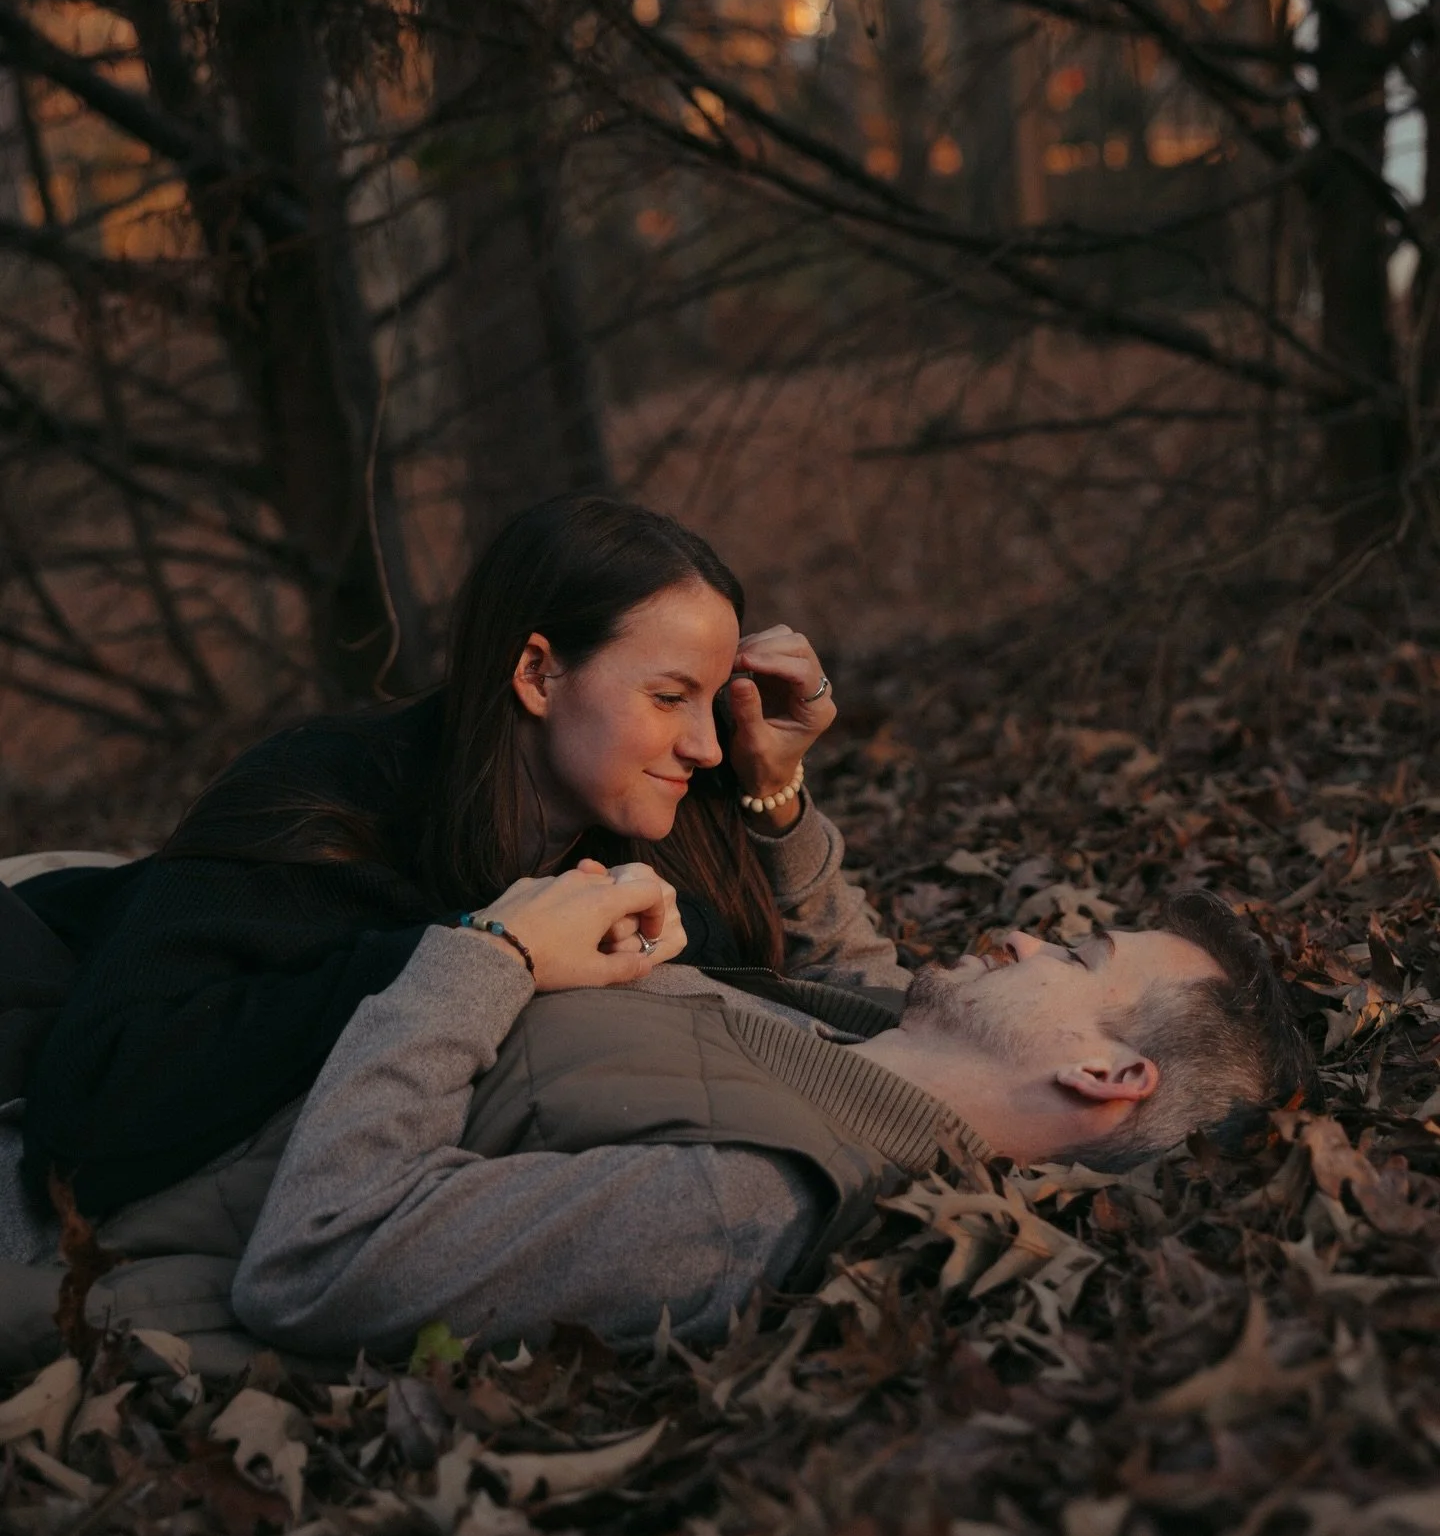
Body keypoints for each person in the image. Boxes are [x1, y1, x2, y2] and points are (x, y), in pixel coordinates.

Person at [15, 494, 898, 1220]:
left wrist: (776, 793)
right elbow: (89, 1112)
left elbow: (854, 991)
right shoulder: (319, 804)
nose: (706, 744)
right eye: (670, 696)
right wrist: (480, 952)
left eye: (713, 700)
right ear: (538, 674)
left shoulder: (660, 807)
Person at [226, 883, 1315, 1359]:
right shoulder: (878, 1053)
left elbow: (319, 1262)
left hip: (91, 1182)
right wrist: (779, 790)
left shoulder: (746, 1200)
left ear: (1105, 1071)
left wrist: (484, 954)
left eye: (1076, 960)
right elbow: (857, 962)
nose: (1029, 940)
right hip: (209, 1023)